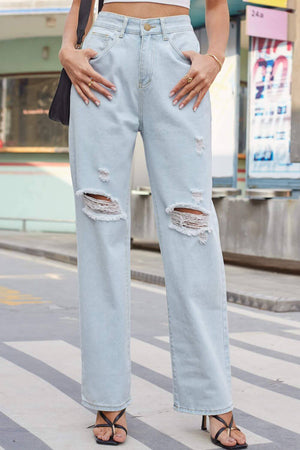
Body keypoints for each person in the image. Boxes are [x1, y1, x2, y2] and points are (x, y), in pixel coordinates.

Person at [58, 0, 248, 448]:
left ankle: (214, 397)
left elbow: (217, 4)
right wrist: (67, 48)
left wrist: (216, 57)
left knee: (194, 228)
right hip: (104, 56)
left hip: (177, 58)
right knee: (100, 227)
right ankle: (108, 397)